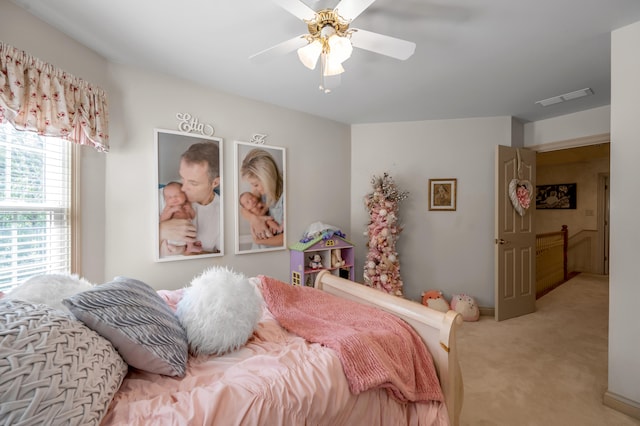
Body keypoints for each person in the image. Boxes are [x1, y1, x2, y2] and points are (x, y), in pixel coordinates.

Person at [159, 142, 221, 256]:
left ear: (215, 182)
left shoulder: (223, 212)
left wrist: (187, 252)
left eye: (193, 183)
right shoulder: (165, 195)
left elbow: (221, 257)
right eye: (182, 178)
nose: (183, 188)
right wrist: (160, 231)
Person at [240, 148, 284, 249]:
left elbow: (289, 237)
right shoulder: (259, 191)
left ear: (267, 179)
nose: (253, 189)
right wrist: (254, 219)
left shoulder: (286, 195)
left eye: (255, 184)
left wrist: (257, 240)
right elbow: (244, 208)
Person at [159, 182, 201, 255]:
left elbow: (193, 216)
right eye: (169, 197)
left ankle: (190, 247)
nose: (174, 198)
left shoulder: (188, 204)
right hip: (172, 234)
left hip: (187, 230)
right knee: (169, 246)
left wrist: (190, 210)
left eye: (177, 195)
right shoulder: (169, 207)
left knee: (190, 235)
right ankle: (174, 249)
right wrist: (171, 210)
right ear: (165, 200)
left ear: (184, 194)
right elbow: (163, 219)